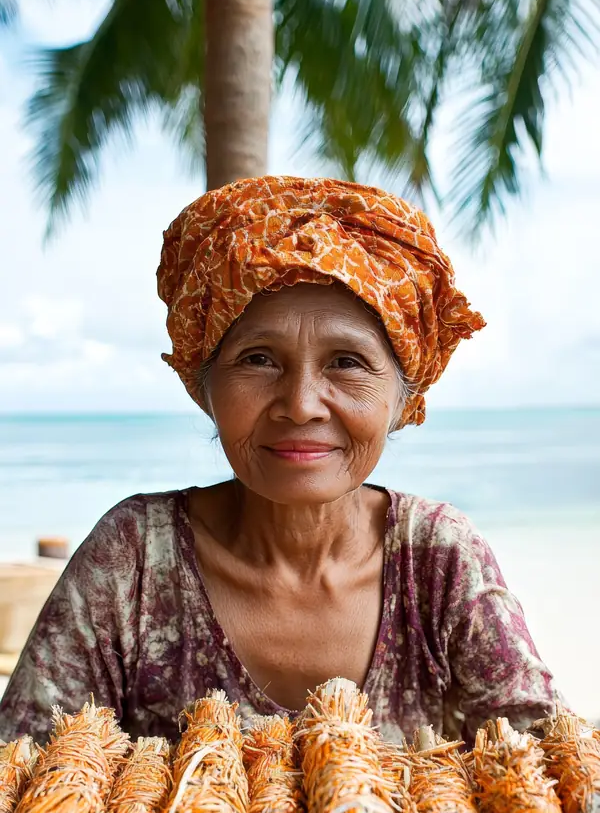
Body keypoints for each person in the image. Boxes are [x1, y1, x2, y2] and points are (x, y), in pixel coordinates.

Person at [0, 176, 561, 745]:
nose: (300, 405)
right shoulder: (134, 560)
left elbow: (552, 766)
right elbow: (20, 770)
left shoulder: (438, 560)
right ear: (203, 386)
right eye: (259, 358)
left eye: (346, 362)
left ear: (404, 398)